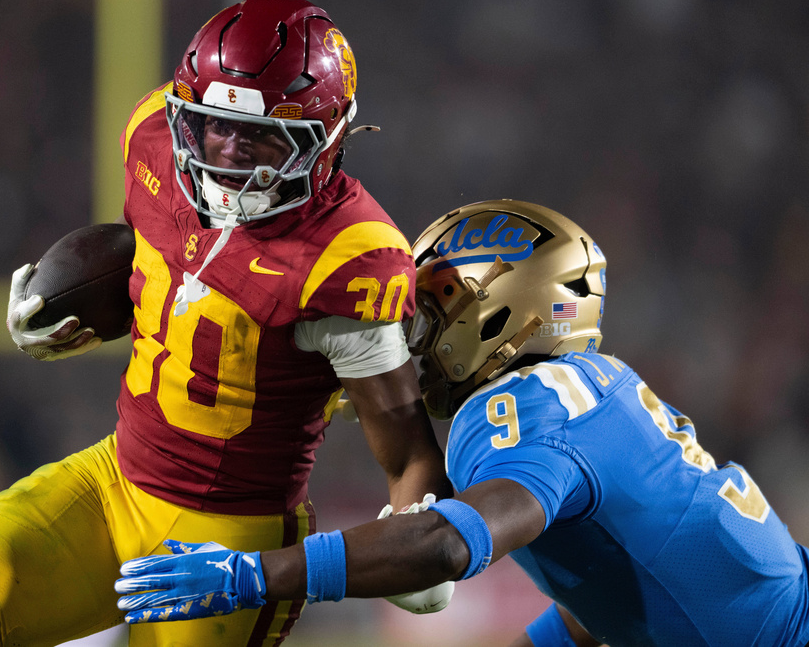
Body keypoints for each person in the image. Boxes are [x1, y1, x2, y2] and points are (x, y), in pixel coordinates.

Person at [0, 0, 452, 647]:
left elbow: (407, 450)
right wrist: (68, 307)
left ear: (329, 139)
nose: (228, 153)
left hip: (231, 538)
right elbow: (163, 268)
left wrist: (418, 539)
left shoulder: (349, 258)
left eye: (263, 135)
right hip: (111, 482)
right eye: (215, 126)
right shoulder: (154, 134)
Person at [114, 200, 809, 647]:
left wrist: (255, 575)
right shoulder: (584, 391)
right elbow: (613, 573)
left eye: (436, 307)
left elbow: (446, 544)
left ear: (500, 308)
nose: (415, 336)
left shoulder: (524, 405)